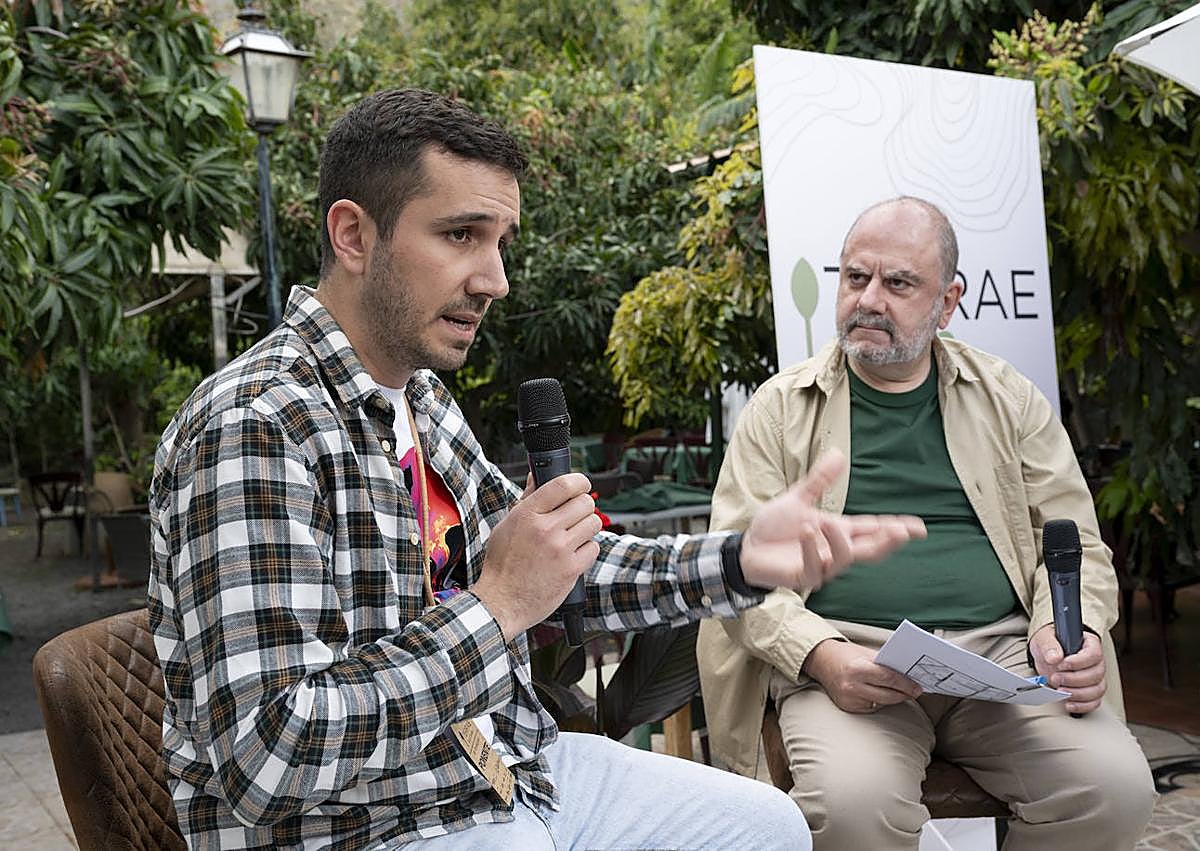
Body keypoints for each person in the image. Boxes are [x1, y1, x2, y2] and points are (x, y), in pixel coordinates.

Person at [147, 89, 925, 851]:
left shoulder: (420, 399)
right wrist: (496, 607)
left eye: (500, 242)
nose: (495, 279)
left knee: (768, 825)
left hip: (505, 775)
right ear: (353, 235)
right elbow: (270, 757)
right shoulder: (254, 426)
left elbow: (560, 564)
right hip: (365, 827)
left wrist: (741, 559)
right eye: (460, 234)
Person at [697, 197, 1157, 850]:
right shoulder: (780, 410)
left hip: (1004, 658)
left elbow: (1075, 543)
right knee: (852, 808)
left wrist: (1062, 627)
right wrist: (823, 656)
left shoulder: (1008, 398)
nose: (869, 300)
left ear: (947, 302)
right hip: (851, 657)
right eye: (856, 277)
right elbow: (735, 568)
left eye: (899, 283)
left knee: (1114, 790)